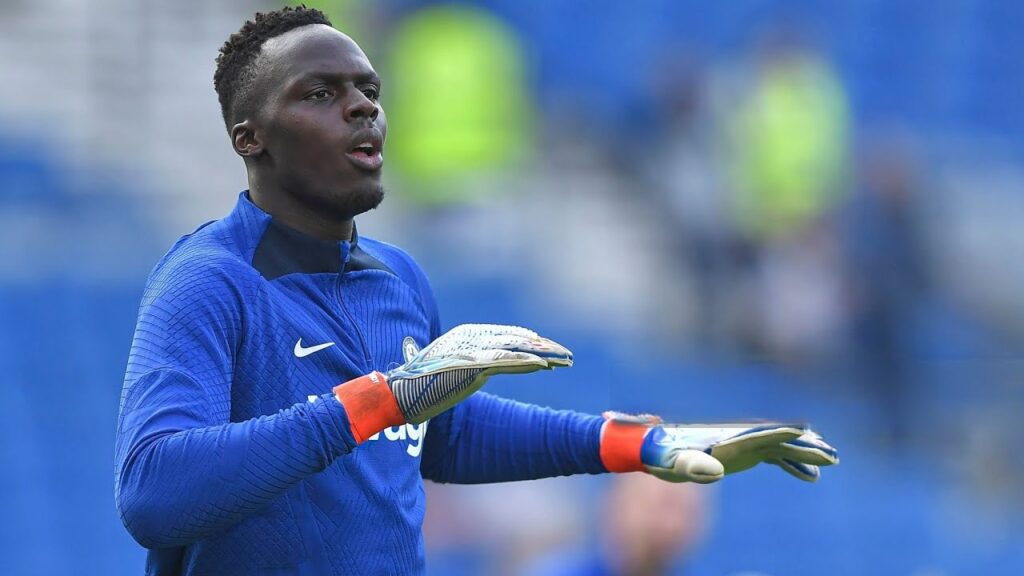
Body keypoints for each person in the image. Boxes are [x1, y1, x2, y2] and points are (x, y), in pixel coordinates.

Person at [114, 7, 837, 575]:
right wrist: (384, 397)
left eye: (370, 90)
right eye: (322, 94)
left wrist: (639, 443)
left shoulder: (396, 278)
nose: (363, 108)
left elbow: (440, 431)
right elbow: (154, 492)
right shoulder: (209, 281)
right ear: (250, 137)